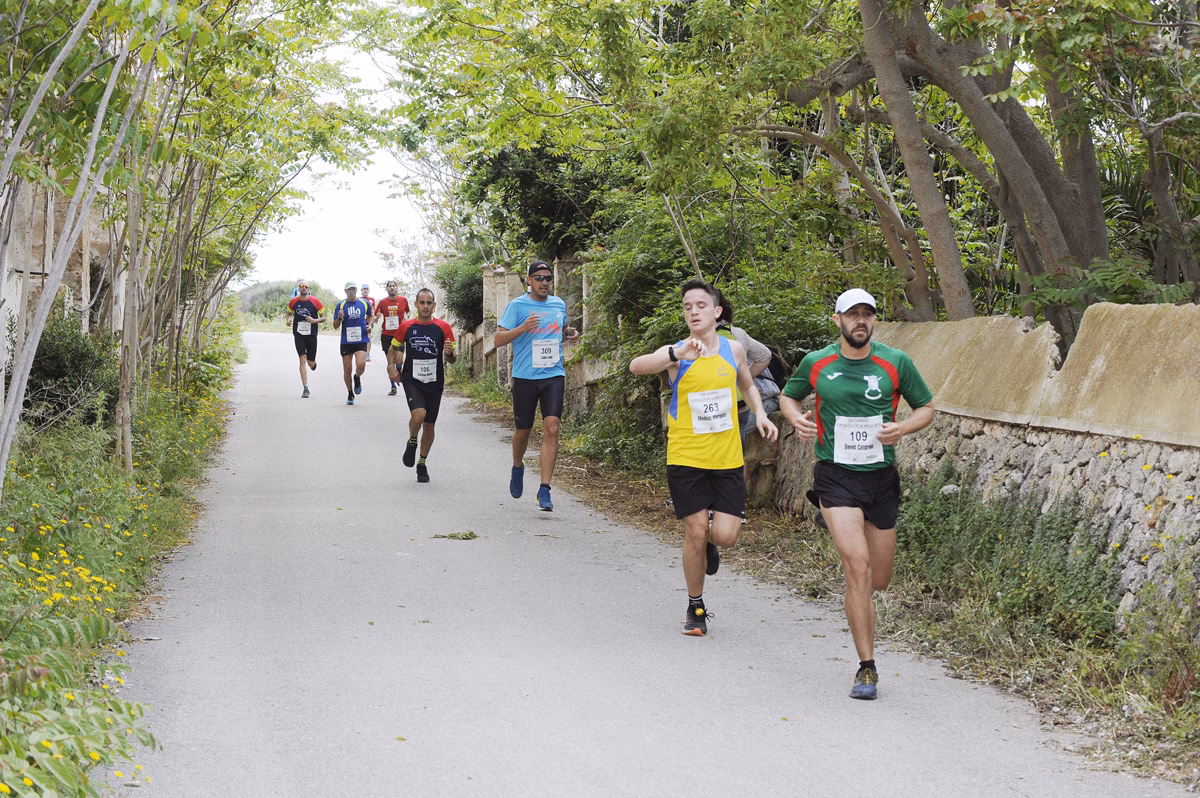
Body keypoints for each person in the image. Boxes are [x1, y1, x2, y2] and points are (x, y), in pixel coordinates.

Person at [777, 288, 934, 700]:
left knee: (879, 579)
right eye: (852, 314)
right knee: (859, 569)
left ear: (873, 321)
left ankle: (843, 520)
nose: (860, 320)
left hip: (880, 477)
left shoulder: (896, 363)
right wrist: (798, 419)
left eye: (867, 314)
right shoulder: (817, 362)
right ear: (838, 320)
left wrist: (903, 427)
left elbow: (926, 408)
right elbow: (788, 396)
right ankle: (866, 667)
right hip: (835, 474)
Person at [629, 278, 778, 636]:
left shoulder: (734, 349)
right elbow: (637, 366)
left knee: (725, 536)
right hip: (686, 457)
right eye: (687, 307)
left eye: (700, 305)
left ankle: (710, 547)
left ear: (717, 311)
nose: (693, 311)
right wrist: (673, 355)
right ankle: (695, 607)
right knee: (695, 530)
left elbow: (746, 384)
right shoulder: (677, 352)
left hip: (727, 458)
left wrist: (759, 412)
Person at [494, 260, 579, 511]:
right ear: (528, 280)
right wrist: (522, 327)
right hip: (525, 377)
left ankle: (544, 489)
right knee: (523, 431)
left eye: (548, 278)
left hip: (553, 374)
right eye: (539, 278)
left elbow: (559, 331)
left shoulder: (558, 304)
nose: (544, 282)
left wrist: (569, 333)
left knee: (552, 427)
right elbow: (498, 339)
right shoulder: (517, 305)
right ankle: (518, 466)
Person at [388, 288, 456, 483]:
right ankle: (412, 440)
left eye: (429, 303)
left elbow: (452, 360)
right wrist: (391, 367)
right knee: (418, 415)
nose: (425, 306)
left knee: (429, 424)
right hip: (412, 378)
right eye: (422, 302)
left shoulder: (443, 327)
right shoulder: (406, 326)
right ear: (416, 304)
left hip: (435, 380)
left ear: (434, 306)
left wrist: (450, 353)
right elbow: (393, 347)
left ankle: (422, 462)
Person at [333, 282, 372, 406]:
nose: (351, 292)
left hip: (361, 339)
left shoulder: (364, 303)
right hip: (346, 341)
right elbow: (335, 326)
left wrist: (369, 325)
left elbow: (371, 316)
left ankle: (357, 377)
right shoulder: (341, 305)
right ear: (345, 291)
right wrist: (339, 318)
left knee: (361, 365)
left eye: (353, 289)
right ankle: (350, 393)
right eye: (349, 290)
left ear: (356, 290)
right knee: (347, 369)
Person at [285, 281, 325, 398]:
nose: (303, 288)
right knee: (302, 359)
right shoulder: (293, 301)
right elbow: (288, 314)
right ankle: (306, 388)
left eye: (306, 286)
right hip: (298, 334)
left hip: (311, 334)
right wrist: (288, 320)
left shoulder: (315, 301)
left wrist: (314, 320)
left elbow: (323, 318)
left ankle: (313, 363)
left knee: (309, 362)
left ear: (308, 289)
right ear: (298, 288)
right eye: (301, 286)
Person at [374, 280, 410, 395]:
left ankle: (398, 370)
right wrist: (377, 316)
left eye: (394, 286)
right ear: (387, 289)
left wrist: (406, 317)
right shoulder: (383, 302)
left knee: (399, 360)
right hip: (386, 335)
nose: (392, 288)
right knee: (390, 362)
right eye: (390, 286)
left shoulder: (403, 300)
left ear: (397, 288)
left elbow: (408, 312)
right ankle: (393, 386)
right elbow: (376, 315)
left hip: (400, 334)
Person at [360, 284, 377, 362]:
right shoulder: (359, 299)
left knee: (368, 337)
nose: (365, 290)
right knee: (360, 337)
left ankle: (367, 354)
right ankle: (360, 353)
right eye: (364, 289)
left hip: (369, 321)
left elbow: (374, 310)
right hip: (361, 321)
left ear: (369, 290)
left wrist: (375, 318)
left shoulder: (372, 299)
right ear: (361, 291)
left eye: (366, 289)